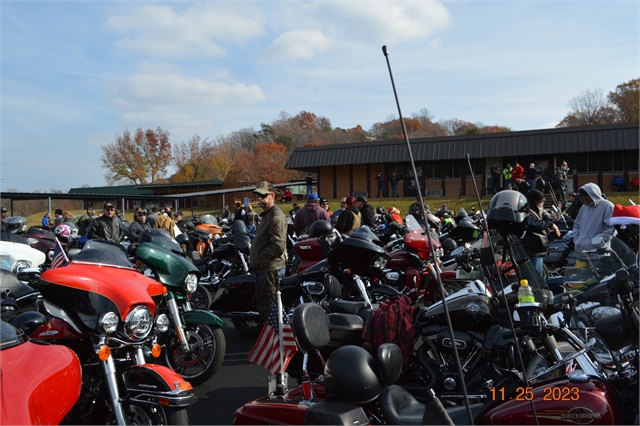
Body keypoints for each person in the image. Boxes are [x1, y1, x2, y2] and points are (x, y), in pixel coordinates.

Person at [249, 181, 287, 321]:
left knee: (270, 311)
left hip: (270, 270)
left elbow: (278, 246)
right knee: (265, 309)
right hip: (264, 269)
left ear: (272, 196)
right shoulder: (267, 214)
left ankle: (276, 341)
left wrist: (258, 260)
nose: (259, 198)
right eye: (257, 195)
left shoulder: (275, 216)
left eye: (263, 195)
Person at [572, 183, 615, 268]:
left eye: (586, 195)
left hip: (598, 255)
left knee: (596, 280)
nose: (584, 198)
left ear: (593, 194)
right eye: (582, 195)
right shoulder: (584, 208)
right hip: (581, 253)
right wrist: (577, 240)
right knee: (580, 279)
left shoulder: (607, 206)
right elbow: (576, 225)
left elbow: (611, 229)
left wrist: (596, 244)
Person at [522, 190, 561, 277]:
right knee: (535, 278)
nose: (543, 204)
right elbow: (533, 224)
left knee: (538, 276)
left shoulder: (537, 212)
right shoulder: (527, 213)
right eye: (541, 202)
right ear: (535, 203)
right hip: (532, 251)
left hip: (536, 251)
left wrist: (548, 221)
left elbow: (543, 219)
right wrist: (551, 225)